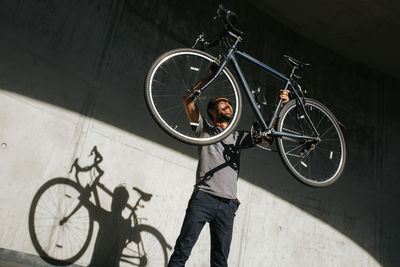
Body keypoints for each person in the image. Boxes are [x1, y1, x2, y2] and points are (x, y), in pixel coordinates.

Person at [168, 65, 289, 267]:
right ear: (212, 111)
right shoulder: (204, 129)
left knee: (220, 262)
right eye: (222, 104)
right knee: (182, 251)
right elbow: (188, 100)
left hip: (227, 206)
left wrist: (280, 107)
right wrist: (209, 76)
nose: (228, 105)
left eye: (230, 104)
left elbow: (268, 135)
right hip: (203, 198)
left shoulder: (237, 137)